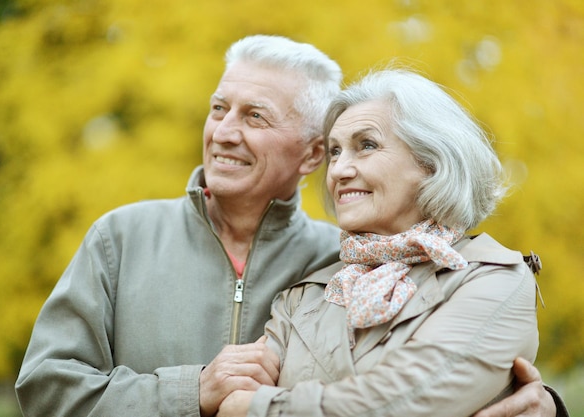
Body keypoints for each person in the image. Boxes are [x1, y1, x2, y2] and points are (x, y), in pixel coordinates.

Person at [15, 35, 565, 417]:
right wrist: (191, 393)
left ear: (308, 158)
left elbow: (442, 376)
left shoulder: (335, 262)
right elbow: (44, 392)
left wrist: (541, 404)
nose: (224, 132)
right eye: (218, 109)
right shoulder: (122, 238)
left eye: (255, 116)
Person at [216, 68, 569, 417]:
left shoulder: (492, 278)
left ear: (430, 163)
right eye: (335, 152)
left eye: (366, 145)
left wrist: (256, 407)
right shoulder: (305, 295)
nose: (338, 170)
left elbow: (405, 402)